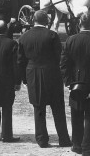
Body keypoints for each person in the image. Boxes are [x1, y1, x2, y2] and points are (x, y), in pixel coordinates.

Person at [18, 10, 72, 148]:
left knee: (38, 108)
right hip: (52, 73)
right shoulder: (52, 35)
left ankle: (42, 139)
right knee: (58, 107)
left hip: (33, 74)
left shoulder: (24, 37)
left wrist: (24, 79)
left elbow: (20, 61)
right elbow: (59, 57)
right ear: (46, 21)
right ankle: (64, 139)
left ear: (33, 21)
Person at [61, 12, 90, 156]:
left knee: (77, 114)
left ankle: (77, 145)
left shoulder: (70, 40)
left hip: (75, 82)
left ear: (79, 24)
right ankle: (87, 147)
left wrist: (69, 83)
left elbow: (64, 64)